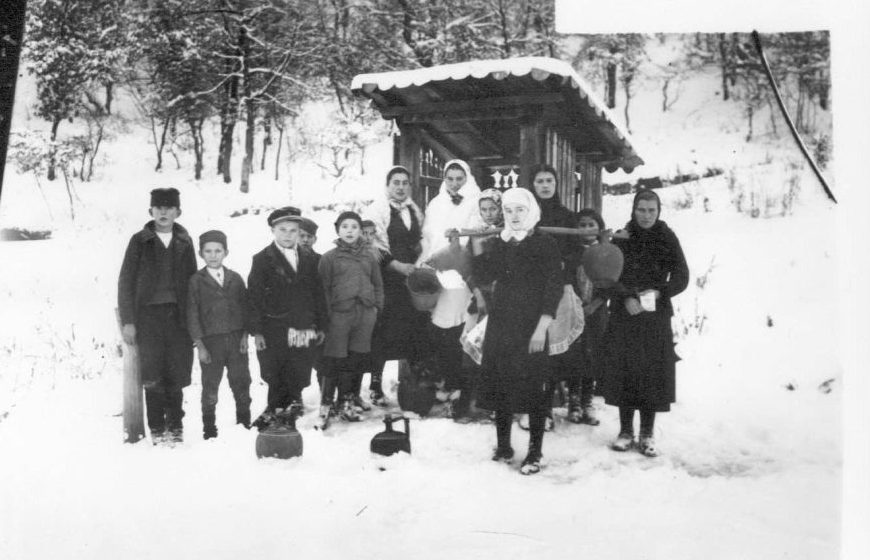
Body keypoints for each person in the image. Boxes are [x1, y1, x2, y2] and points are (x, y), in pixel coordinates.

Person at [471, 187, 562, 475]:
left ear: (531, 210)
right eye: (508, 211)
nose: (514, 216)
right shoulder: (501, 243)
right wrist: (481, 248)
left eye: (519, 210)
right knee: (501, 383)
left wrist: (542, 328)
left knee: (534, 387)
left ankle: (535, 452)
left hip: (532, 324)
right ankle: (504, 445)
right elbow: (484, 276)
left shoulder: (545, 244)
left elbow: (553, 286)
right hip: (502, 323)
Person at [602, 189, 689, 457]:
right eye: (642, 209)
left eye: (652, 210)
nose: (647, 215)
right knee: (625, 369)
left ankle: (647, 432)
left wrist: (661, 292)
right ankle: (626, 430)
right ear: (633, 210)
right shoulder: (622, 237)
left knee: (651, 373)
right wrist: (625, 296)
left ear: (659, 211)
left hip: (655, 315)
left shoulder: (667, 238)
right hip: (625, 313)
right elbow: (606, 275)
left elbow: (682, 276)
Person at [118, 187, 197, 445]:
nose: (163, 212)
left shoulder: (185, 242)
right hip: (148, 318)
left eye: (169, 208)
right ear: (150, 211)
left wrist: (193, 322)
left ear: (178, 212)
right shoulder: (139, 241)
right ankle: (157, 428)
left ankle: (175, 425)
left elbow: (193, 283)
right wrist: (129, 321)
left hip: (177, 318)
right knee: (152, 373)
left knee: (176, 371)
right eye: (158, 208)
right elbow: (126, 282)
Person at [247, 207, 327, 429]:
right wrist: (258, 331)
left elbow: (318, 293)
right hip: (274, 327)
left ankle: (293, 403)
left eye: (293, 230)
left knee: (299, 365)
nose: (288, 235)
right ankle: (275, 407)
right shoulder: (262, 259)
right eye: (282, 230)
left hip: (303, 324)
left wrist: (321, 325)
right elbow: (253, 297)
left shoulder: (310, 259)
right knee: (275, 369)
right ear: (273, 230)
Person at [521, 164, 584, 431]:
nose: (545, 186)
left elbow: (577, 252)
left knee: (561, 349)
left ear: (556, 185)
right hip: (533, 290)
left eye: (549, 181)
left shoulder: (568, 217)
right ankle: (539, 408)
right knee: (536, 350)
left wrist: (559, 265)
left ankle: (569, 400)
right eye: (539, 181)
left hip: (561, 289)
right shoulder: (527, 217)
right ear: (532, 186)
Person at [420, 160, 481, 416]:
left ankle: (463, 390)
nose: (455, 183)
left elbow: (475, 235)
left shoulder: (475, 201)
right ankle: (446, 382)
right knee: (440, 329)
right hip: (439, 271)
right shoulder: (436, 203)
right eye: (450, 178)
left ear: (467, 179)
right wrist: (428, 261)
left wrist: (456, 249)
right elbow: (428, 235)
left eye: (459, 178)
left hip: (461, 270)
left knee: (461, 327)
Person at [364, 166, 429, 400]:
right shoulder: (377, 210)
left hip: (409, 280)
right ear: (387, 185)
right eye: (396, 183)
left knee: (413, 329)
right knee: (381, 333)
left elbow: (421, 239)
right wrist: (397, 266)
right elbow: (374, 246)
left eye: (404, 183)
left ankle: (414, 386)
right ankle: (375, 385)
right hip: (385, 279)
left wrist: (419, 259)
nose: (400, 187)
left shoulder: (413, 209)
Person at [317, 211, 384, 429]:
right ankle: (326, 403)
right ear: (338, 230)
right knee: (335, 358)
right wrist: (326, 317)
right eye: (344, 227)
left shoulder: (369, 256)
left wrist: (376, 307)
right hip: (339, 315)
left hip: (364, 313)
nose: (349, 231)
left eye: (354, 227)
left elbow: (377, 283)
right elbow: (323, 289)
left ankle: (346, 401)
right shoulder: (329, 258)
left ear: (360, 231)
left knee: (355, 359)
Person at [186, 230, 252, 439]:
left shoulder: (235, 279)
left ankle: (244, 422)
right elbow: (192, 314)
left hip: (235, 341)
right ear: (201, 253)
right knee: (210, 386)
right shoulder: (196, 281)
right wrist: (200, 345)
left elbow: (246, 308)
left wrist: (244, 337)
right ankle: (209, 429)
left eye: (218, 251)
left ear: (226, 252)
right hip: (211, 343)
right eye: (208, 251)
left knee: (241, 382)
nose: (213, 255)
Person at [564, 209, 607, 425]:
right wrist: (577, 302)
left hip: (596, 310)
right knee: (575, 354)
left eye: (592, 224)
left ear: (599, 227)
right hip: (575, 309)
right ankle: (574, 401)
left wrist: (597, 303)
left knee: (592, 354)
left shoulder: (606, 252)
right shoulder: (571, 254)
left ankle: (587, 400)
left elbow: (611, 281)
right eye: (582, 225)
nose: (587, 229)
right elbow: (567, 279)